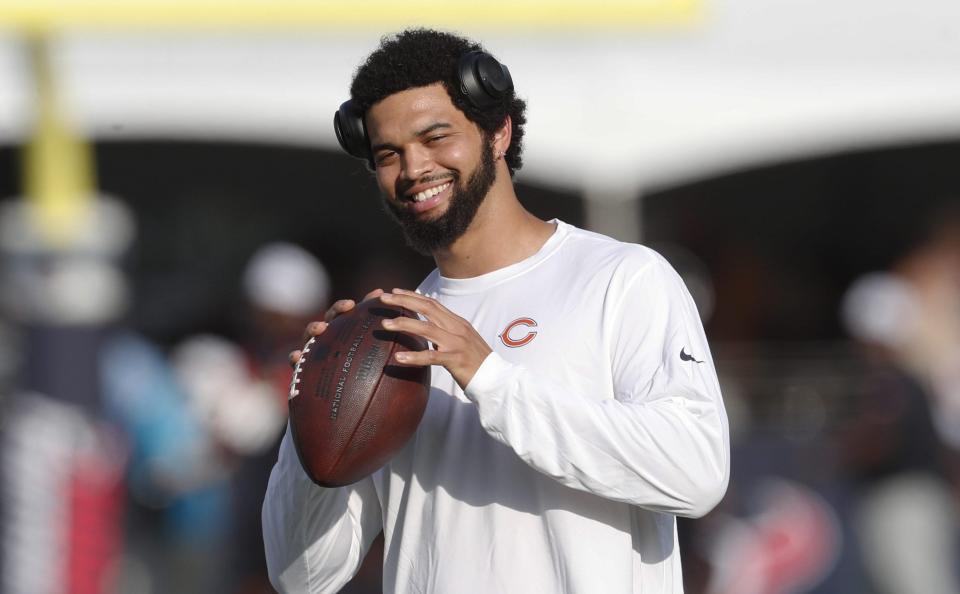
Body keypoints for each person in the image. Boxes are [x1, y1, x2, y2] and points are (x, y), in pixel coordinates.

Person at [262, 28, 729, 593]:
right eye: (389, 154)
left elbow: (696, 475)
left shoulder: (621, 278)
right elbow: (302, 578)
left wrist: (489, 376)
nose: (413, 169)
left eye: (436, 137)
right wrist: (314, 414)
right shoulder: (391, 338)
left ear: (499, 131)